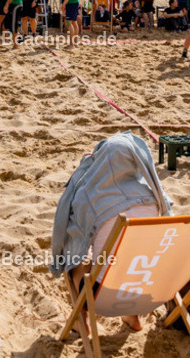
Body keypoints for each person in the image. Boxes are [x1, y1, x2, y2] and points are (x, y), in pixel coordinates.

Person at [51, 132, 171, 334]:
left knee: (75, 256)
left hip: (103, 296)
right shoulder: (154, 197)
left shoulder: (89, 198)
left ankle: (82, 322)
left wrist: (85, 168)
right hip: (148, 293)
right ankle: (133, 316)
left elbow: (74, 242)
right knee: (134, 251)